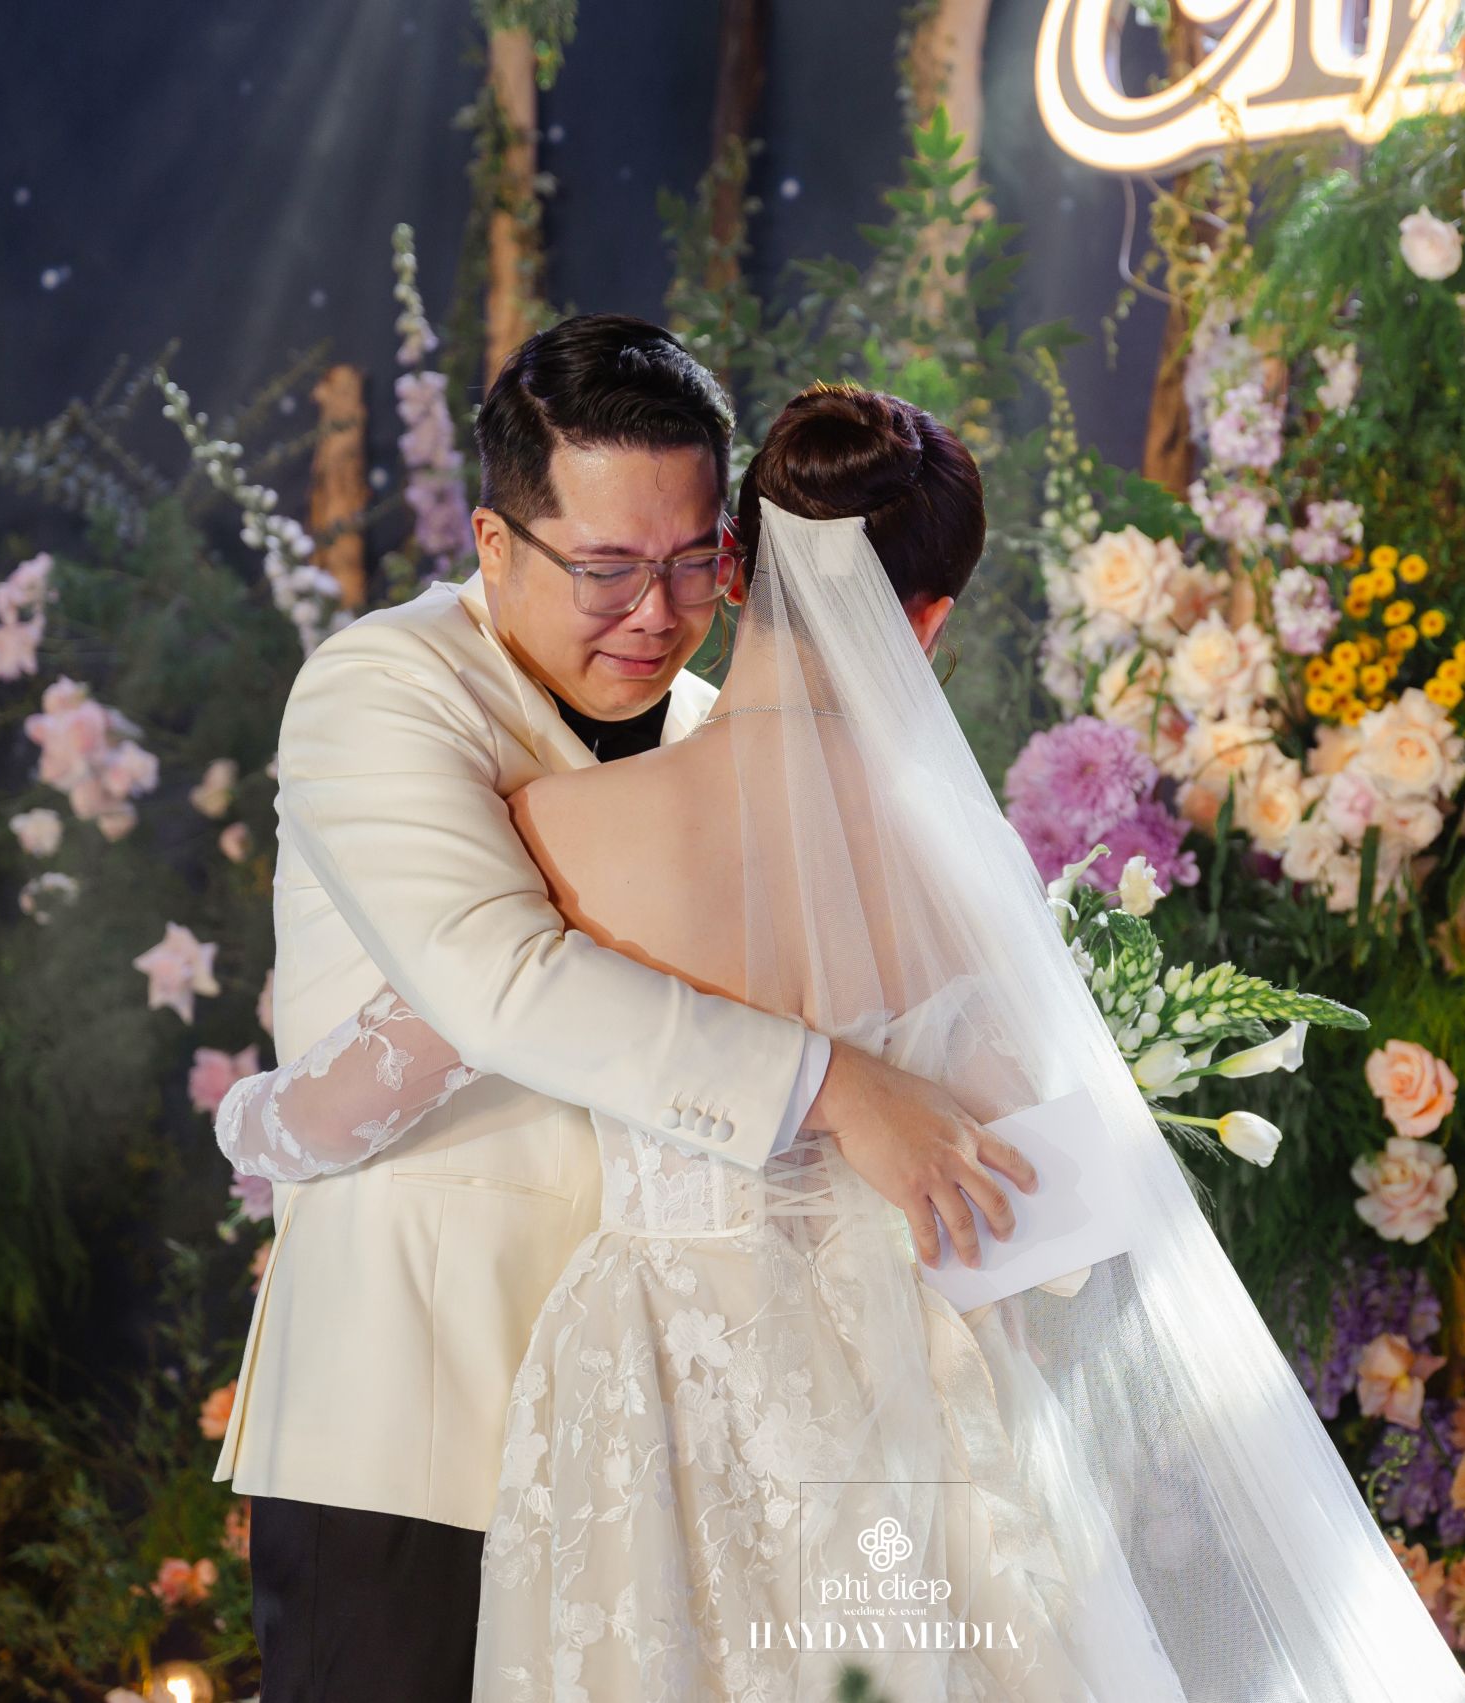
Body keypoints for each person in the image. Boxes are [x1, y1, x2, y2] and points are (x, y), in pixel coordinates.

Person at [222, 385, 1465, 1702]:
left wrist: (252, 1123)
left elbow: (400, 1061)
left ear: (734, 569)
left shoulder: (570, 834)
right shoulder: (969, 868)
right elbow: (1046, 1221)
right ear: (926, 620)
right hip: (919, 1409)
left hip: (660, 1385)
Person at [212, 318, 1037, 1703]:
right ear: (493, 541)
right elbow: (497, 980)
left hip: (666, 1433)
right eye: (605, 570)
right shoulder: (384, 688)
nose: (654, 613)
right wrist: (838, 1086)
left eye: (690, 563)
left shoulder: (721, 728)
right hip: (420, 1408)